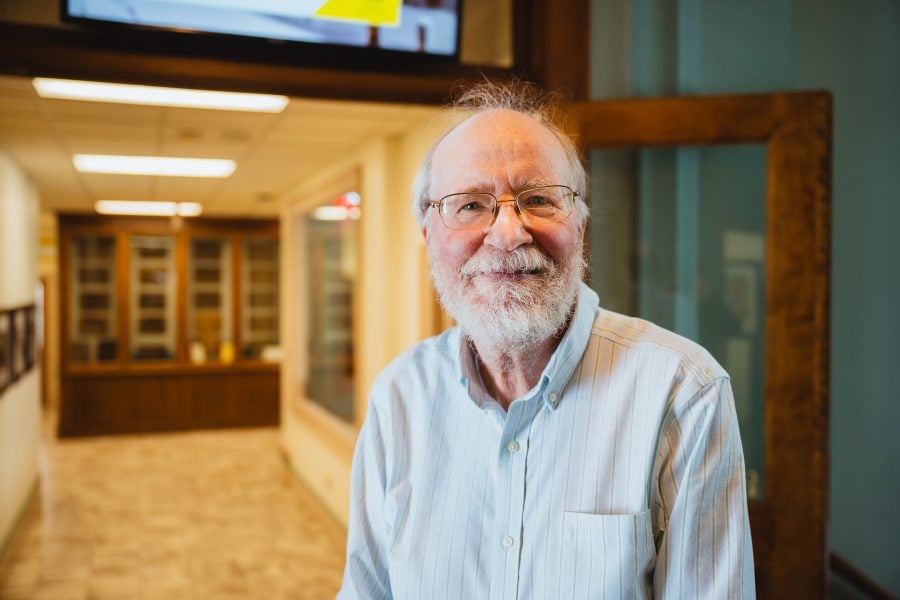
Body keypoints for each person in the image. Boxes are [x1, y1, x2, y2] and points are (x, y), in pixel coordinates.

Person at [337, 81, 755, 599]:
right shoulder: (399, 397)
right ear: (428, 235)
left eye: (538, 199)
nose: (509, 232)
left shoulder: (683, 394)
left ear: (579, 224)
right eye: (470, 205)